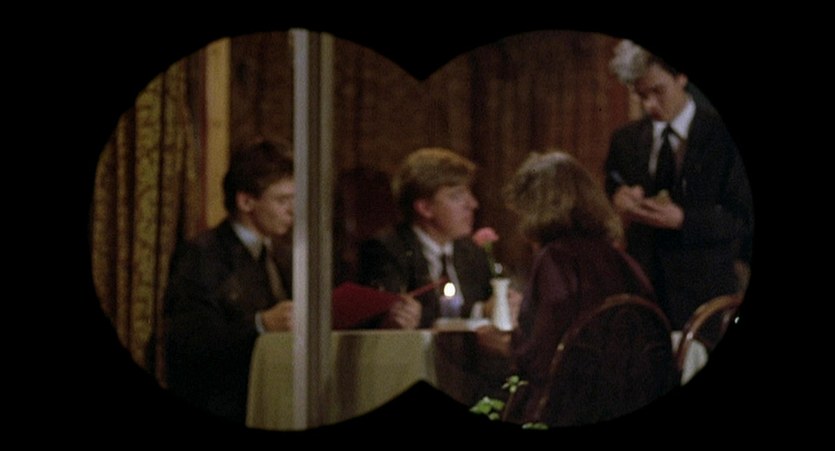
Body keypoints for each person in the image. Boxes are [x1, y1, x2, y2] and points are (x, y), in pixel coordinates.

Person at [477, 150, 658, 425]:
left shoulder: (555, 259)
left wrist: (505, 344)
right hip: (629, 398)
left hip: (569, 408)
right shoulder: (621, 259)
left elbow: (547, 355)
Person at [604, 40, 753, 330]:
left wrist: (684, 220)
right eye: (641, 95)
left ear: (682, 77)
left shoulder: (722, 136)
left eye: (658, 91)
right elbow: (613, 180)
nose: (649, 105)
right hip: (644, 292)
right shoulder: (625, 139)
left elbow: (742, 218)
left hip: (705, 297)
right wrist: (619, 194)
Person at [162, 139, 296, 423]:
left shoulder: (282, 255)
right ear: (246, 201)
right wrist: (261, 324)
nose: (292, 210)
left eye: (295, 199)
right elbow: (190, 342)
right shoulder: (203, 255)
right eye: (282, 200)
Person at [357, 147, 522, 329]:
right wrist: (479, 311)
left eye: (469, 193)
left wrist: (506, 302)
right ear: (425, 208)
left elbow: (494, 300)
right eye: (457, 196)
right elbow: (396, 316)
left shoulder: (471, 250)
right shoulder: (386, 249)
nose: (473, 204)